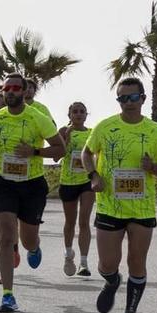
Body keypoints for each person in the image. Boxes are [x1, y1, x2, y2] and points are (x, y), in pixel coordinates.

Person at [86, 77, 157, 313]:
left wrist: (153, 168)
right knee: (107, 263)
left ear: (143, 99)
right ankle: (112, 281)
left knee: (137, 261)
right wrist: (93, 176)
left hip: (142, 208)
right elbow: (86, 152)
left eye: (133, 97)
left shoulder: (155, 131)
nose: (128, 103)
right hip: (109, 206)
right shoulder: (105, 127)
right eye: (122, 98)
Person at [0, 73, 65, 312]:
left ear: (24, 91)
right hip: (3, 181)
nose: (10, 92)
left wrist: (34, 152)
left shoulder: (39, 118)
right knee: (6, 236)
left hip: (31, 183)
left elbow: (61, 148)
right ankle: (7, 294)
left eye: (15, 88)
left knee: (28, 239)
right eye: (6, 88)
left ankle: (34, 246)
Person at [57, 101, 95, 278]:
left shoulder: (92, 133)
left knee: (84, 221)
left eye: (82, 111)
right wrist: (66, 138)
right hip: (68, 182)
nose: (78, 114)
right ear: (69, 115)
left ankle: (84, 262)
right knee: (70, 222)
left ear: (86, 115)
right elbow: (57, 156)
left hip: (86, 182)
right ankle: (68, 253)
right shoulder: (64, 131)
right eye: (75, 112)